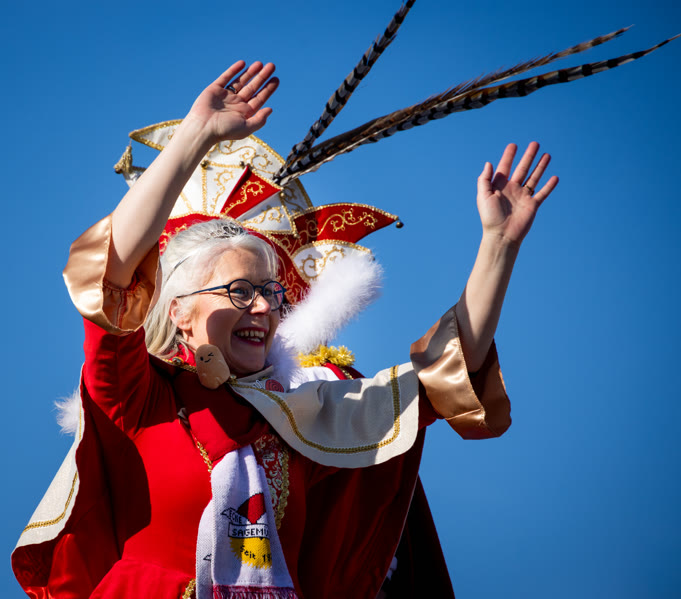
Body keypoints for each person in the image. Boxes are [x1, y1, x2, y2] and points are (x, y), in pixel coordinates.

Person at [12, 60, 558, 598]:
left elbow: (442, 379)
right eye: (239, 291)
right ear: (177, 310)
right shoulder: (134, 397)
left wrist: (499, 246)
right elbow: (111, 272)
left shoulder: (305, 422)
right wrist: (196, 135)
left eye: (271, 294)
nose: (263, 309)